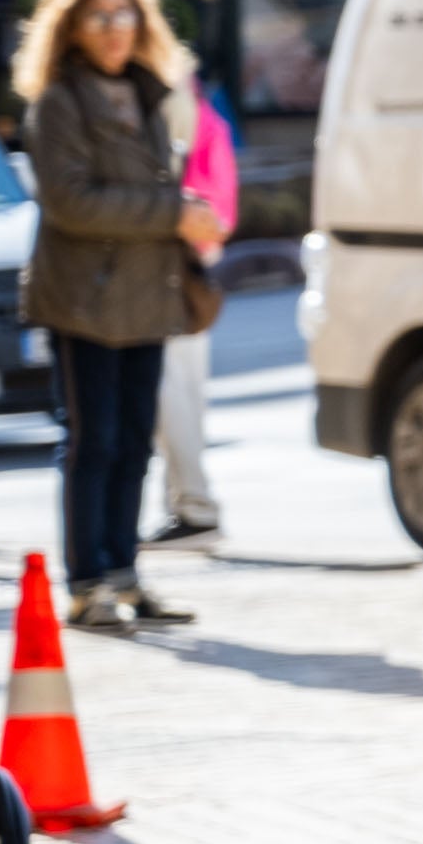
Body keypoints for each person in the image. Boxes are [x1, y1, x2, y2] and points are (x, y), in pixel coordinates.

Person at [12, 0, 222, 636]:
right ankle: (86, 582)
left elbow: (157, 188)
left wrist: (189, 213)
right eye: (99, 15)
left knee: (135, 440)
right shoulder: (59, 102)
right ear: (72, 27)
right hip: (84, 300)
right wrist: (171, 213)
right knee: (91, 440)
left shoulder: (150, 90)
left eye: (124, 13)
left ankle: (125, 572)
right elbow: (72, 202)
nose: (114, 29)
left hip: (148, 295)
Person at [152, 79, 240, 548]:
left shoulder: (168, 98)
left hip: (170, 259)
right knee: (185, 388)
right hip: (195, 257)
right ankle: (190, 505)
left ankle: (194, 508)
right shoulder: (198, 101)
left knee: (169, 391)